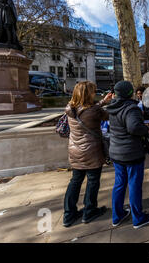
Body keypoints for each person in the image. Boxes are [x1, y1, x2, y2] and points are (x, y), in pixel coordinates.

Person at [106, 80, 149, 229]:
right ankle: (138, 218)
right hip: (131, 153)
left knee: (119, 184)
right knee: (134, 184)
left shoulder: (112, 106)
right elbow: (134, 127)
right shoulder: (130, 108)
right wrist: (145, 129)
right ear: (130, 93)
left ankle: (117, 216)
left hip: (116, 152)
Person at [62, 81, 113, 227]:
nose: (94, 93)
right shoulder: (94, 111)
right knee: (92, 180)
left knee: (75, 181)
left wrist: (103, 101)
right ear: (87, 94)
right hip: (91, 150)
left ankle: (68, 214)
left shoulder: (69, 108)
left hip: (75, 149)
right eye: (93, 91)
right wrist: (110, 102)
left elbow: (87, 109)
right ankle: (89, 211)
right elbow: (107, 116)